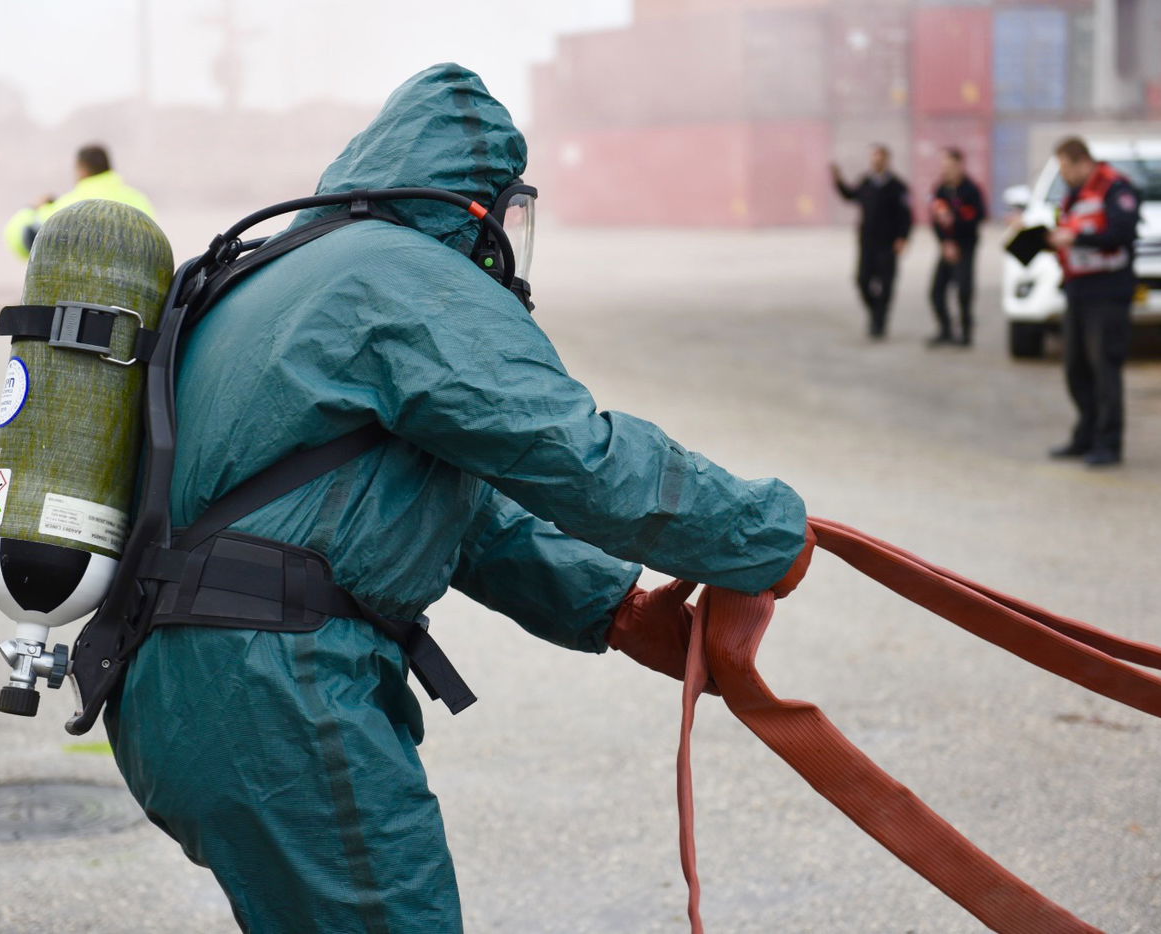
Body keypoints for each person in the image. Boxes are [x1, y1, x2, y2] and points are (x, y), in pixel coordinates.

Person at [103, 63, 814, 933]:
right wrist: (766, 535)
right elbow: (577, 455)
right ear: (473, 204)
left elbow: (446, 501)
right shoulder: (404, 279)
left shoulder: (278, 270)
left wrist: (612, 608)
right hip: (278, 688)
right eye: (508, 211)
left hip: (178, 691)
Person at [1045, 137, 1141, 467]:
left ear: (1082, 161)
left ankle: (1109, 443)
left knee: (1105, 369)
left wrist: (1078, 238)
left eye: (1065, 167)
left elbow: (1122, 234)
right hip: (1078, 291)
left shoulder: (1117, 189)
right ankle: (1085, 436)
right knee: (1076, 369)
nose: (1063, 174)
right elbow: (1067, 230)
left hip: (1108, 292)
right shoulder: (1072, 194)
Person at [2, 143, 154, 258]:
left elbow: (21, 239)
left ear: (82, 170)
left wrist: (31, 208)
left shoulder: (68, 205)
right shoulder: (139, 200)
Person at [831, 145, 913, 340]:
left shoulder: (898, 187)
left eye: (880, 158)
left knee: (886, 285)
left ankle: (879, 322)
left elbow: (907, 216)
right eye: (873, 158)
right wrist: (838, 180)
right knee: (861, 281)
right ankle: (875, 313)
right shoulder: (866, 182)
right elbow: (850, 196)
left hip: (888, 244)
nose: (876, 161)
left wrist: (903, 238)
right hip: (867, 243)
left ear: (887, 160)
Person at [926, 148, 987, 347]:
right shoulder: (940, 189)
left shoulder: (971, 190)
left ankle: (966, 333)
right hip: (946, 247)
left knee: (964, 290)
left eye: (951, 166)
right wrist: (945, 242)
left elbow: (979, 217)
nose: (947, 170)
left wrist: (956, 221)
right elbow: (935, 220)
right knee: (936, 292)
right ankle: (945, 330)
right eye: (944, 166)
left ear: (961, 166)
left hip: (966, 247)